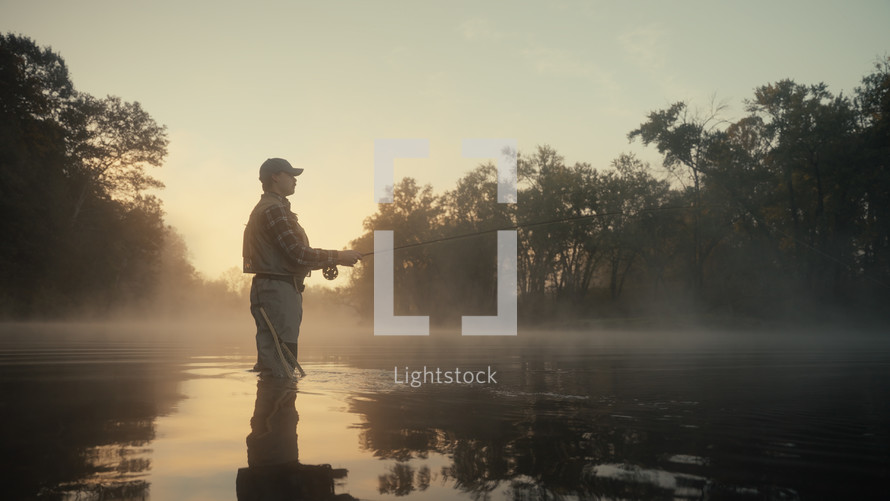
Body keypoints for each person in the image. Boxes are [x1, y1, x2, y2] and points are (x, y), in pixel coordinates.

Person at [243, 158, 362, 378]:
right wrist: (337, 256)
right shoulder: (273, 210)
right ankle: (279, 406)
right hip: (276, 292)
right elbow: (297, 253)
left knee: (280, 362)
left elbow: (292, 257)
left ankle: (277, 405)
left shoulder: (277, 209)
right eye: (290, 174)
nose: (295, 180)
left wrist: (332, 260)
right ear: (275, 177)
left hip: (280, 290)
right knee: (280, 366)